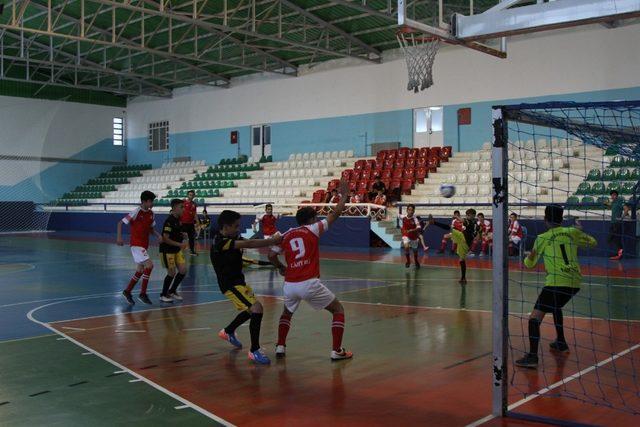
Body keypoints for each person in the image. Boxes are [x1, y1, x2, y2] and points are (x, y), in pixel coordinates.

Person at [268, 180, 353, 361]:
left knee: (286, 313)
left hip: (290, 284)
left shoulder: (287, 233)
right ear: (312, 219)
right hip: (309, 282)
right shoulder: (314, 229)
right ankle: (336, 350)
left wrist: (281, 268)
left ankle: (280, 347)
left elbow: (270, 255)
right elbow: (335, 213)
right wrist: (344, 196)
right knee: (338, 310)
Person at [515, 205, 597, 368]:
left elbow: (529, 264)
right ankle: (560, 341)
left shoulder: (543, 237)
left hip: (556, 282)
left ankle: (532, 357)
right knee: (555, 306)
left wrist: (529, 255)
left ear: (545, 220)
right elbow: (593, 243)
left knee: (534, 319)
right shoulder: (571, 232)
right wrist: (579, 231)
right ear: (561, 219)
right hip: (574, 283)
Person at [210, 210, 283, 365]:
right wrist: (273, 240)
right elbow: (249, 243)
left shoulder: (232, 237)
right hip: (230, 284)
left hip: (239, 282)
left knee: (251, 310)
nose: (238, 229)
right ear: (225, 226)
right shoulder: (220, 241)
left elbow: (245, 244)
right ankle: (254, 350)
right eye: (236, 226)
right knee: (257, 308)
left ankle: (228, 331)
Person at [117, 190, 161, 305]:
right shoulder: (136, 212)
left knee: (140, 270)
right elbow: (120, 223)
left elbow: (151, 228)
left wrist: (158, 235)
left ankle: (127, 291)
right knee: (150, 265)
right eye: (151, 201)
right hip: (136, 245)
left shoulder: (152, 214)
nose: (152, 203)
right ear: (144, 201)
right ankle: (143, 293)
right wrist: (119, 238)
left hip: (144, 245)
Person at [430, 209, 480, 284]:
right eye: (466, 215)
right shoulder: (476, 224)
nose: (467, 216)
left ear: (473, 215)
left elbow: (463, 221)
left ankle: (463, 278)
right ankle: (434, 222)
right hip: (462, 236)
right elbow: (477, 233)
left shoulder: (469, 222)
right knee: (450, 228)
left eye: (468, 215)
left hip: (465, 242)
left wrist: (456, 216)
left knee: (461, 260)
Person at [159, 199, 189, 303]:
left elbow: (178, 233)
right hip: (167, 250)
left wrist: (183, 235)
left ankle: (172, 291)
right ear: (175, 208)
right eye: (182, 207)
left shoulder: (179, 220)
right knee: (171, 273)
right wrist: (180, 244)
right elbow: (165, 238)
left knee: (183, 270)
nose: (184, 209)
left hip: (176, 250)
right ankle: (163, 295)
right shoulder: (169, 221)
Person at [399, 204, 422, 269]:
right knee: (406, 247)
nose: (410, 211)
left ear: (414, 211)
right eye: (409, 210)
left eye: (412, 210)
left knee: (415, 251)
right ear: (407, 210)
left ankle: (416, 260)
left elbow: (419, 227)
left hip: (414, 237)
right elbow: (398, 215)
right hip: (406, 235)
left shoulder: (415, 219)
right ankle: (408, 261)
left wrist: (412, 230)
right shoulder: (403, 217)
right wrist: (401, 228)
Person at [606, 190, 625, 260]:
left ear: (616, 195)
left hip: (617, 223)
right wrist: (606, 203)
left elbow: (626, 209)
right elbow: (610, 205)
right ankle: (619, 253)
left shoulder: (620, 201)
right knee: (610, 239)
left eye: (614, 195)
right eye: (611, 195)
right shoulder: (613, 202)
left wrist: (621, 217)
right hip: (612, 223)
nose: (612, 196)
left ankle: (619, 255)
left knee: (617, 240)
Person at [181, 190, 201, 256]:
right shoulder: (183, 202)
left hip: (190, 223)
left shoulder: (194, 204)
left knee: (191, 237)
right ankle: (178, 250)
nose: (191, 196)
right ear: (187, 195)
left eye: (192, 195)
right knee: (180, 236)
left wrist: (197, 221)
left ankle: (192, 251)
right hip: (183, 222)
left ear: (194, 196)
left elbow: (195, 213)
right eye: (190, 194)